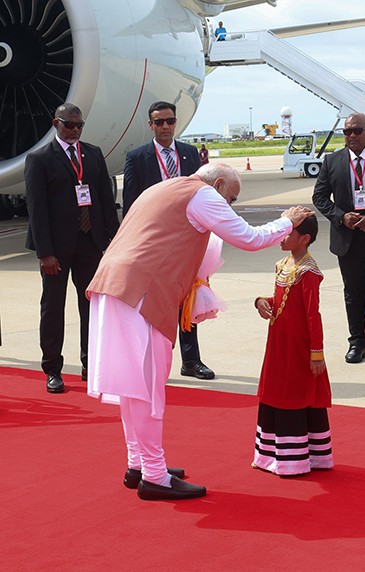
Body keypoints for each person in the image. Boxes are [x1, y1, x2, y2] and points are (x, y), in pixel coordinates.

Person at [86, 163, 313, 501]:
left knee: (133, 387)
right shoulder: (203, 195)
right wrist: (287, 222)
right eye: (231, 199)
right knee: (147, 389)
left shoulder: (165, 187)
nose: (229, 207)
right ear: (219, 184)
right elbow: (249, 238)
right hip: (140, 293)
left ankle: (141, 464)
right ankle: (154, 476)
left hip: (115, 286)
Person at [24, 103, 119, 394]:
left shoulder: (92, 154)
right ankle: (52, 368)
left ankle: (90, 363)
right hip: (56, 247)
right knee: (53, 308)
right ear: (56, 123)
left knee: (91, 306)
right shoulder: (40, 159)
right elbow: (36, 210)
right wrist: (45, 252)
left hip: (89, 243)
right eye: (69, 125)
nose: (75, 130)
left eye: (79, 125)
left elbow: (105, 198)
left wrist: (113, 241)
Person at [123, 101, 214, 381]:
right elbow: (131, 204)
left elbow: (202, 195)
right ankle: (149, 360)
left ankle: (191, 360)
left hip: (187, 239)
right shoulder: (137, 157)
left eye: (170, 121)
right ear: (150, 125)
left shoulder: (188, 154)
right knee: (153, 303)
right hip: (154, 242)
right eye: (159, 122)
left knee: (187, 298)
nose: (165, 126)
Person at [252, 215, 333, 476]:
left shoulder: (308, 272)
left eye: (288, 233)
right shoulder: (284, 264)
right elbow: (280, 300)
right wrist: (261, 301)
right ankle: (271, 455)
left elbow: (312, 314)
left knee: (295, 392)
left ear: (304, 239)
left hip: (298, 346)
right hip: (278, 344)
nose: (281, 237)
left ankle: (294, 459)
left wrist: (316, 353)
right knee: (277, 390)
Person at [312, 112, 365, 363]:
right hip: (347, 238)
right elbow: (319, 198)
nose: (351, 136)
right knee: (354, 291)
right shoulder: (332, 161)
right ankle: (357, 341)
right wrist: (341, 217)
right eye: (346, 131)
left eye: (357, 130)